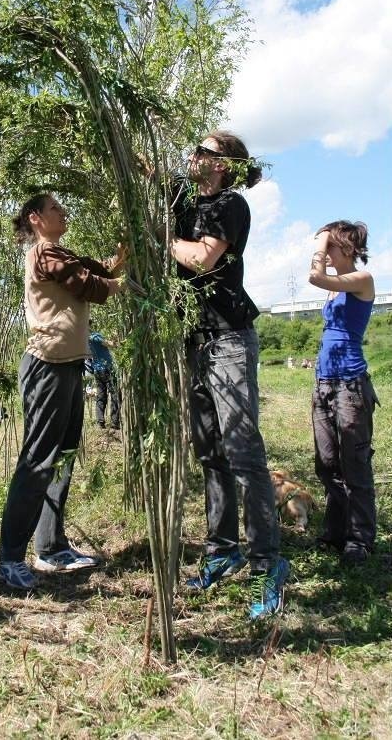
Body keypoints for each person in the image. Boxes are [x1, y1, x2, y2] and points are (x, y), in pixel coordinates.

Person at [162, 131, 289, 619]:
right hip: (194, 339)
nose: (194, 155)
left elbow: (201, 258)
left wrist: (162, 239)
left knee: (242, 452)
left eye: (204, 151)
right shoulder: (185, 198)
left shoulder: (228, 206)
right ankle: (223, 550)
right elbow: (146, 171)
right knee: (209, 450)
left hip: (229, 339)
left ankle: (266, 564)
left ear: (224, 165)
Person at [0, 193, 124, 590]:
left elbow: (93, 269)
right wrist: (125, 283)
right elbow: (92, 287)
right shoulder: (43, 254)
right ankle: (10, 559)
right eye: (56, 209)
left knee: (63, 457)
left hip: (69, 366)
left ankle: (51, 548)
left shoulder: (61, 253)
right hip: (46, 366)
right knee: (38, 461)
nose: (64, 212)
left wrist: (118, 260)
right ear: (35, 218)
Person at [309, 221, 379, 565]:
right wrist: (325, 242)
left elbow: (315, 276)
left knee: (355, 465)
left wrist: (320, 242)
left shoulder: (361, 281)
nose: (327, 252)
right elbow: (322, 282)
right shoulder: (334, 289)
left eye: (332, 246)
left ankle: (360, 538)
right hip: (323, 383)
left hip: (349, 385)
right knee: (326, 464)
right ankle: (337, 530)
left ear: (348, 249)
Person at [87, 327, 121, 430]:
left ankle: (100, 421)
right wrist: (115, 336)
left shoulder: (85, 339)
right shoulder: (95, 337)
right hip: (106, 369)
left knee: (101, 396)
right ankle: (115, 422)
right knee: (115, 394)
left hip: (97, 371)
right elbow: (112, 345)